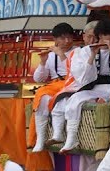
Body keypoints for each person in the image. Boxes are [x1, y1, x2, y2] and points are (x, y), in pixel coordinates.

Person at [59, 17, 110, 152]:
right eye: (107, 35)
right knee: (75, 99)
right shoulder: (85, 51)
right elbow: (83, 79)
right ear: (100, 35)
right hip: (95, 87)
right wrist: (92, 55)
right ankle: (71, 137)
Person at [30, 22, 76, 152]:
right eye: (62, 38)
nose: (67, 41)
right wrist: (43, 63)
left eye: (69, 37)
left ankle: (58, 134)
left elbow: (74, 70)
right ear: (55, 39)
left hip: (72, 83)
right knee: (42, 97)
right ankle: (40, 139)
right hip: (56, 84)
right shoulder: (51, 55)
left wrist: (61, 54)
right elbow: (38, 79)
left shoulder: (77, 51)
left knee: (60, 97)